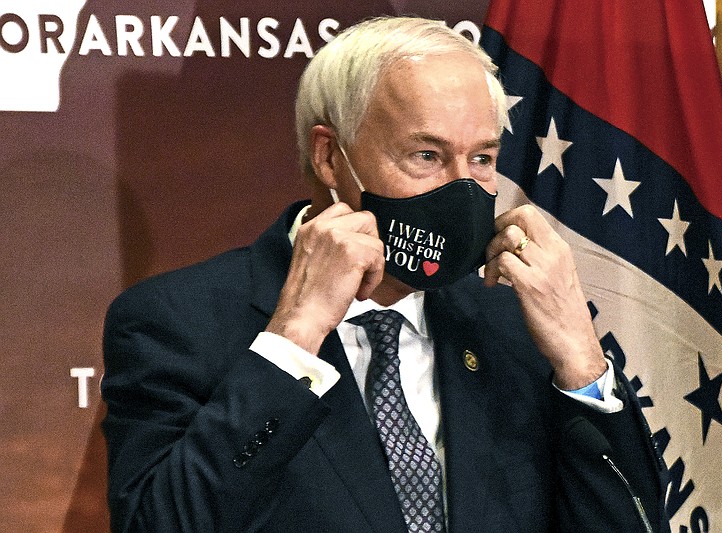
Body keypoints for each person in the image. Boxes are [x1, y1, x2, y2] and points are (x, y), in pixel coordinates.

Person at [102, 16, 669, 533]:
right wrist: (292, 339)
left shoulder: (514, 317)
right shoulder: (178, 321)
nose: (460, 188)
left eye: (482, 159)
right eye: (426, 156)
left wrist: (580, 361)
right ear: (330, 158)